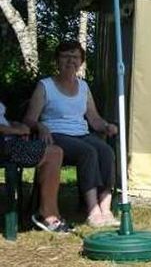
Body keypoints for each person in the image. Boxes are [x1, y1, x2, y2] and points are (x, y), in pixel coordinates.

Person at [24, 40, 119, 228]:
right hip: (56, 135)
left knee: (106, 151)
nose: (70, 61)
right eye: (66, 56)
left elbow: (93, 118)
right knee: (88, 152)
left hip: (81, 133)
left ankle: (105, 208)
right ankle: (92, 211)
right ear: (57, 61)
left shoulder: (84, 87)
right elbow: (29, 119)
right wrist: (41, 126)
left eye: (75, 57)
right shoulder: (45, 86)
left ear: (81, 61)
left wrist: (106, 126)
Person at [0, 100, 71, 233]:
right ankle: (48, 215)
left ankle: (49, 212)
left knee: (54, 152)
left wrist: (15, 125)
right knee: (53, 153)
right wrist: (16, 131)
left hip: (8, 141)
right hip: (4, 146)